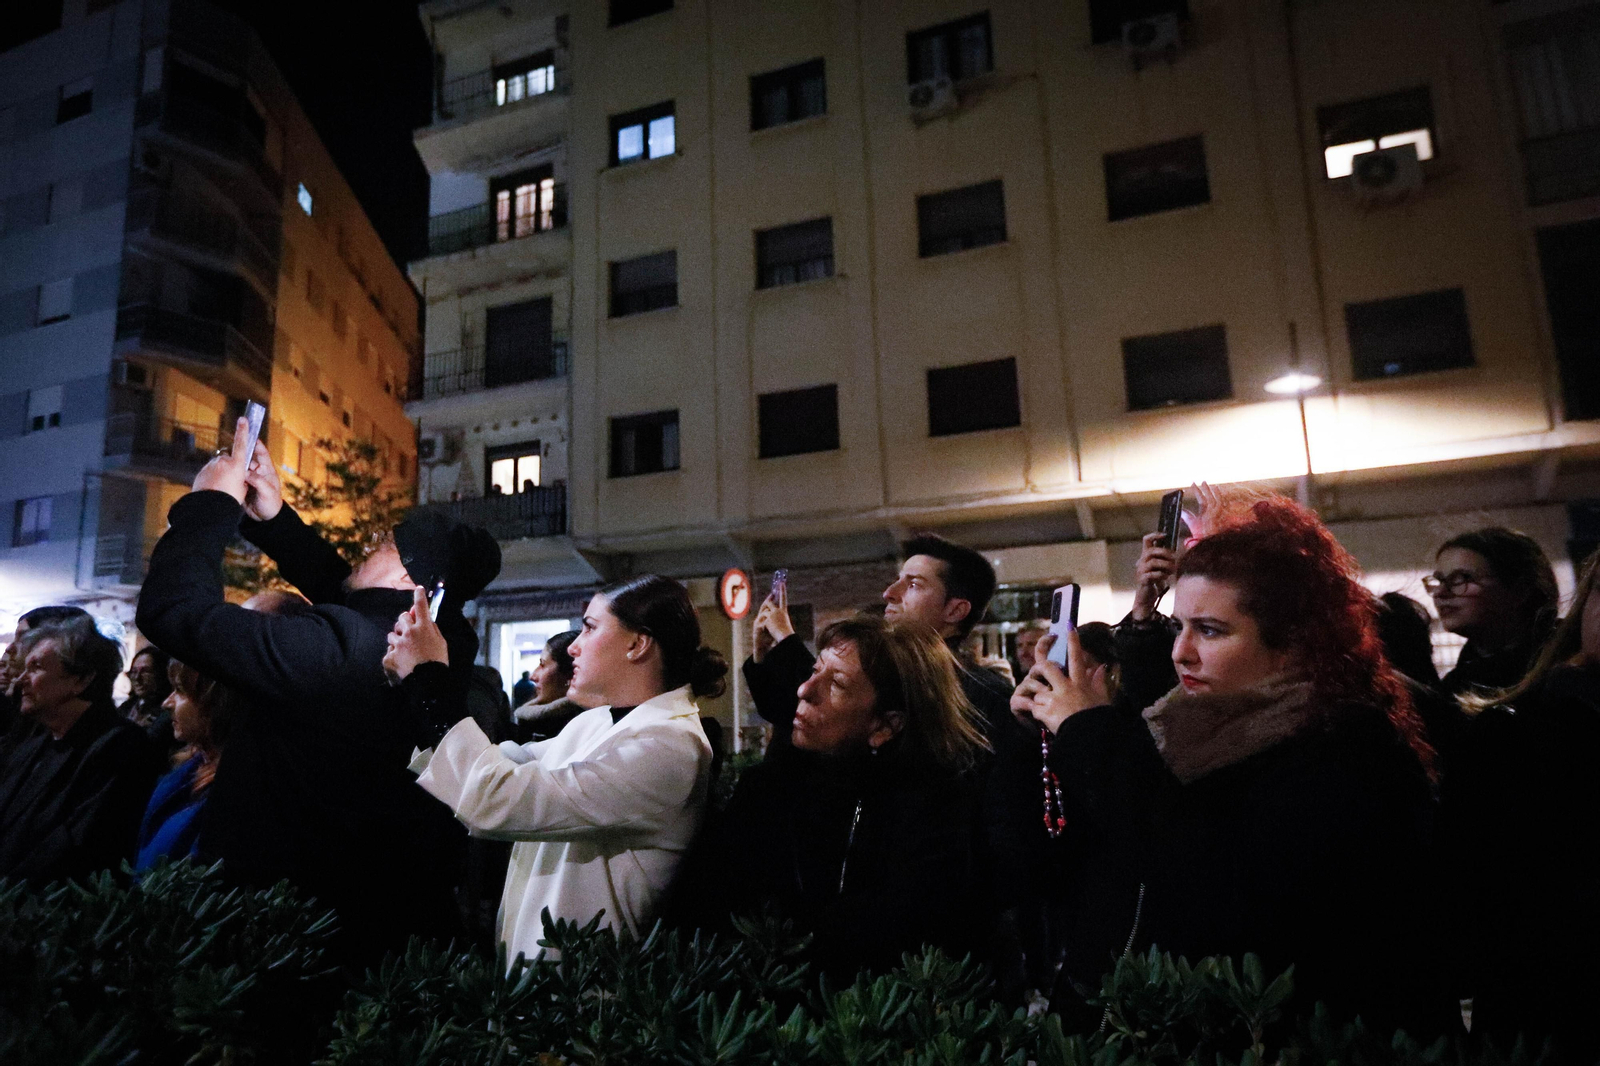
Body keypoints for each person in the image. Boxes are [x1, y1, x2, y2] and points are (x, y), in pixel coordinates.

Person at [1013, 494, 1450, 1037]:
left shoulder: (1346, 744)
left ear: (1292, 643)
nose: (1182, 653)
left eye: (1211, 630)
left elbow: (1199, 871)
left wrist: (1087, 731)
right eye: (1180, 627)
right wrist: (1037, 735)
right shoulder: (1178, 722)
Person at [134, 421, 501, 962]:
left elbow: (174, 612)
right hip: (367, 931)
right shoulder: (432, 648)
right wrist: (275, 518)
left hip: (281, 934)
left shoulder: (344, 652)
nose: (366, 549)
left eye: (381, 544)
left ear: (409, 580)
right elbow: (353, 595)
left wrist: (209, 502)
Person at [744, 537, 1043, 998]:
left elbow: (996, 854)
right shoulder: (826, 775)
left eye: (914, 583)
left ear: (956, 610)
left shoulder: (980, 704)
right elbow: (816, 731)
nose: (891, 593)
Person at [387, 574, 723, 963]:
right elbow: (496, 763)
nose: (574, 648)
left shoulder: (670, 748)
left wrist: (429, 678)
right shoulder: (598, 721)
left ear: (637, 644)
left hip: (584, 1003)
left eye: (590, 628)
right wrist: (413, 682)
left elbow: (497, 797)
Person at [676, 615, 990, 977]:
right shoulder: (767, 790)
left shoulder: (932, 814)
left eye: (837, 683)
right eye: (815, 669)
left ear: (886, 726)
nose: (805, 690)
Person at [1444, 550, 1600, 1062]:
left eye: (1462, 578)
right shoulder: (1517, 720)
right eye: (1439, 579)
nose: (1444, 591)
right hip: (1545, 990)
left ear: (1523, 589)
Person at [0, 616, 156, 882]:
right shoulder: (37, 742)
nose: (22, 680)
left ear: (81, 680)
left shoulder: (120, 746)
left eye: (36, 668)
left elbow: (74, 848)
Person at [134, 658, 243, 871]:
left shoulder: (234, 792)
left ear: (216, 702)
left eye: (180, 690)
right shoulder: (192, 766)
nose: (167, 702)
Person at [1427, 528, 1559, 698]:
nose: (1440, 592)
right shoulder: (1455, 686)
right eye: (1439, 580)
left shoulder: (1567, 669)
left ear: (1520, 591)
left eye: (1463, 578)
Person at [511, 630, 584, 742]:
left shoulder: (581, 728)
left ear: (570, 674)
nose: (532, 676)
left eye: (542, 665)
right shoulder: (529, 723)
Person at [120, 646, 176, 756]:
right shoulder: (125, 708)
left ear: (160, 674)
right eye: (133, 671)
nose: (137, 677)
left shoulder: (168, 714)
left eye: (145, 671)